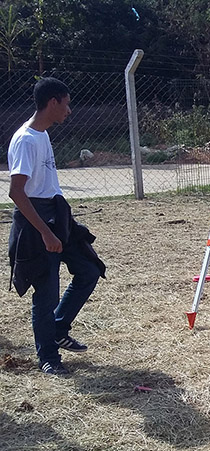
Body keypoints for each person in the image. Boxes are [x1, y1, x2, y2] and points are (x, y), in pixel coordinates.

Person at [7, 77, 105, 376]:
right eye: (67, 103)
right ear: (53, 102)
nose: (69, 110)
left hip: (56, 214)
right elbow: (16, 192)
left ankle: (58, 328)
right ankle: (48, 357)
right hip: (36, 221)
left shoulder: (42, 134)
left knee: (89, 270)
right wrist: (45, 232)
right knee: (46, 293)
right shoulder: (26, 139)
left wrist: (61, 224)